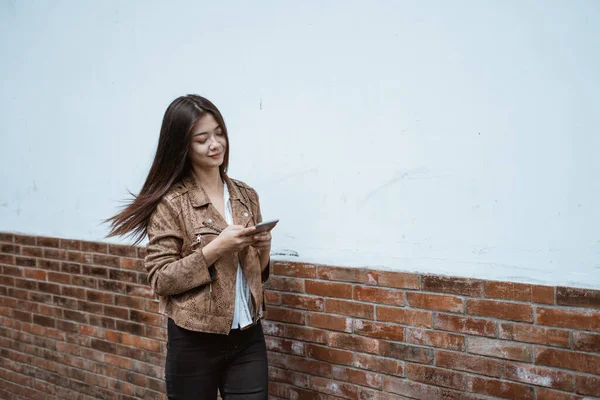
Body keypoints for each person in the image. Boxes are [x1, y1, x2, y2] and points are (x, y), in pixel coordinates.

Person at [106, 94, 271, 399]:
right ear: (183, 145)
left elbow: (257, 272)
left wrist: (263, 247)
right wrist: (215, 249)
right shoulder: (171, 203)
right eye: (202, 138)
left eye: (219, 133)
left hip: (248, 338)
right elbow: (160, 278)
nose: (215, 144)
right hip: (193, 342)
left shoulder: (246, 195)